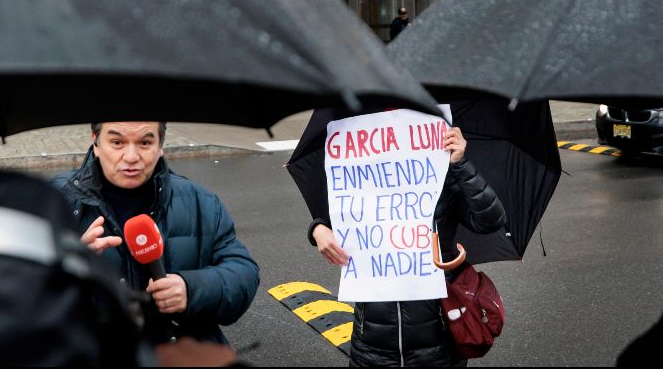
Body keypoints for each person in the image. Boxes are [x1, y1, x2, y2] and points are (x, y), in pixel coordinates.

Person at [308, 127, 506, 367]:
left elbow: (491, 220)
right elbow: (337, 216)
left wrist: (460, 164)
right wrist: (317, 229)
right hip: (372, 340)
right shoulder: (360, 176)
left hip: (439, 335)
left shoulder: (442, 177)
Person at [53, 121, 259, 347]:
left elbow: (243, 272)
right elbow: (18, 297)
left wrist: (191, 289)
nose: (131, 156)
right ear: (96, 142)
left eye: (144, 142)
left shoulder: (201, 202)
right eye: (117, 142)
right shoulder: (54, 201)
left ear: (160, 145)